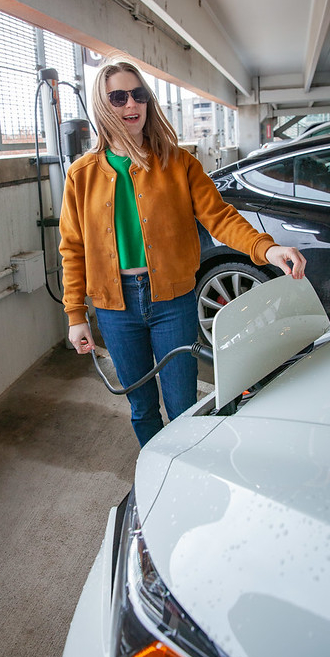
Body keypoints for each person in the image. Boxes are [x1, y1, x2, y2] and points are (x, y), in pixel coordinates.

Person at [59, 57, 306, 447]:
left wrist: (267, 248)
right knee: (141, 408)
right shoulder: (82, 174)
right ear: (102, 106)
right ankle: (158, 472)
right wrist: (76, 314)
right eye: (118, 97)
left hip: (172, 302)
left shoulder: (179, 163)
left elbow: (220, 217)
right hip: (114, 308)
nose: (130, 105)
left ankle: (190, 471)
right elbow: (72, 248)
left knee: (182, 406)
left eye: (138, 95)